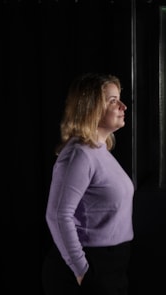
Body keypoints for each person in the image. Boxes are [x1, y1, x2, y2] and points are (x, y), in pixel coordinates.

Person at [42, 73, 134, 295]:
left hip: (112, 266)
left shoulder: (100, 151)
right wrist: (82, 271)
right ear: (91, 107)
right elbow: (57, 215)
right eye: (112, 100)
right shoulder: (78, 154)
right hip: (89, 267)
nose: (123, 106)